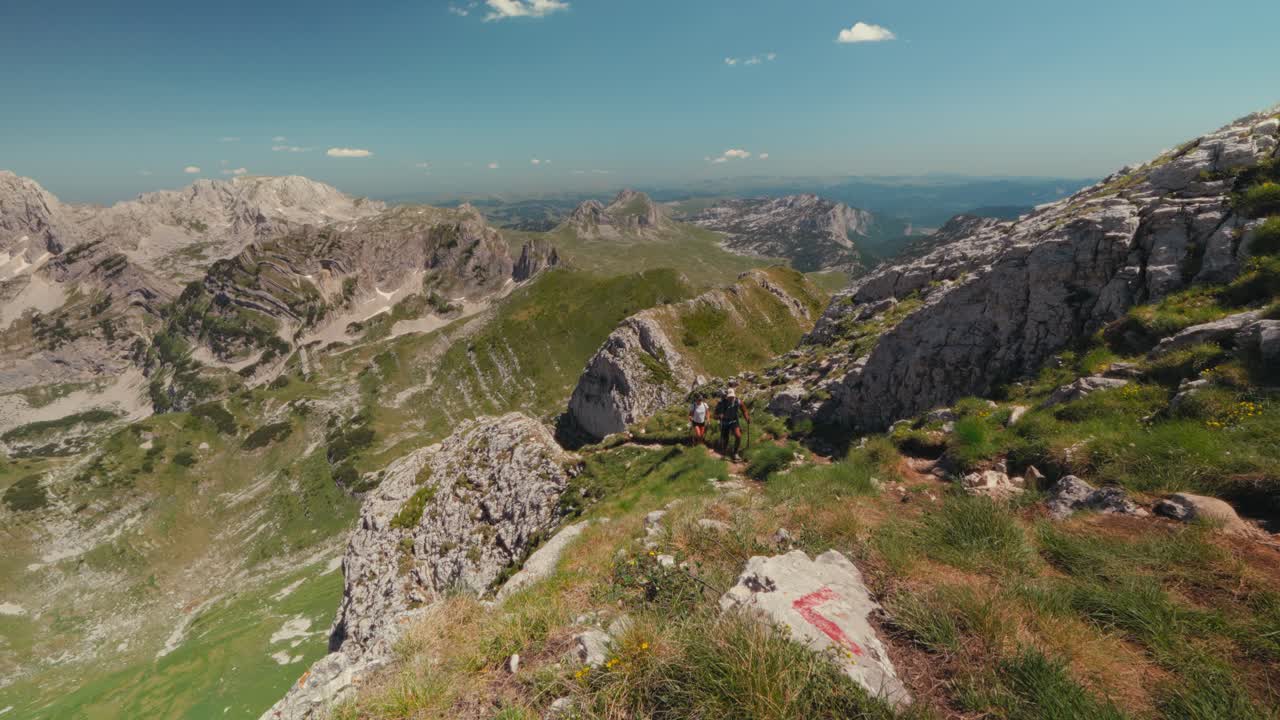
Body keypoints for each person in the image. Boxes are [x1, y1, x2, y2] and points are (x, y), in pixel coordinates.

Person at [714, 388, 750, 460]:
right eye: (729, 397)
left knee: (738, 436)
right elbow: (714, 415)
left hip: (734, 421)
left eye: (732, 397)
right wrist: (719, 416)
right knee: (725, 438)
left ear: (734, 396)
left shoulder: (738, 401)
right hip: (724, 422)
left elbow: (744, 410)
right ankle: (724, 451)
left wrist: (747, 418)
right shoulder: (721, 403)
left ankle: (735, 453)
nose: (731, 398)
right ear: (727, 396)